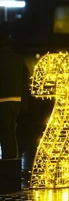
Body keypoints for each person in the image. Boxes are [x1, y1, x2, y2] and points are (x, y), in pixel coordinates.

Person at [0, 23, 30, 159]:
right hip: (16, 100)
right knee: (11, 132)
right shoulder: (18, 59)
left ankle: (8, 164)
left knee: (5, 133)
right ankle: (12, 161)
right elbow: (26, 80)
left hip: (2, 100)